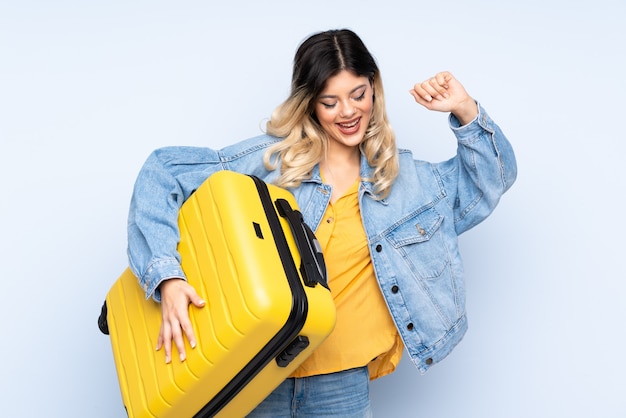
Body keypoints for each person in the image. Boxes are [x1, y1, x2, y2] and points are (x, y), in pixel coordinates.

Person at [126, 28, 517, 417]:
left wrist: (466, 110)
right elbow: (163, 171)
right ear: (310, 104)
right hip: (258, 373)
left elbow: (489, 181)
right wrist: (168, 277)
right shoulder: (274, 161)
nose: (347, 112)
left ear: (375, 89)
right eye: (329, 102)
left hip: (343, 387)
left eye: (357, 95)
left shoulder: (408, 182)